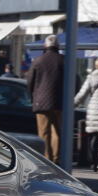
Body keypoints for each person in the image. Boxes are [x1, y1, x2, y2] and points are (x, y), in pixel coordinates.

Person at [25, 34, 64, 163]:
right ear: (57, 46)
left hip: (41, 102)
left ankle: (46, 159)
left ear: (45, 46)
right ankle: (56, 159)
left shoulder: (38, 61)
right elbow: (75, 81)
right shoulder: (64, 60)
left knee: (44, 133)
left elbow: (30, 82)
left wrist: (33, 97)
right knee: (57, 132)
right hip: (60, 102)